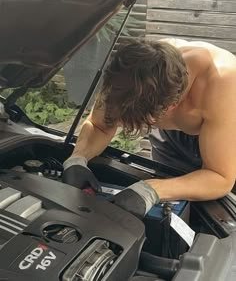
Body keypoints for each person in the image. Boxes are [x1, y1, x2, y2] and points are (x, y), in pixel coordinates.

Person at [62, 38, 236, 217]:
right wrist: (78, 158)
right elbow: (99, 126)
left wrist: (151, 189)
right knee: (175, 199)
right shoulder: (126, 77)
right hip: (173, 137)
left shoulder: (222, 83)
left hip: (226, 130)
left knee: (224, 209)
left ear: (170, 108)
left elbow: (220, 177)